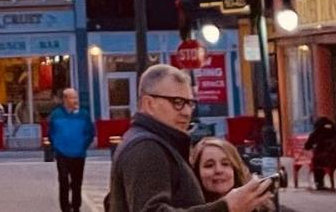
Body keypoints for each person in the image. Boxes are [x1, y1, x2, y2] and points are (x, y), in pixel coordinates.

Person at [105, 64, 273, 212]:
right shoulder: (146, 147)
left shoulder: (157, 143)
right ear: (149, 103)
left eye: (190, 103)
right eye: (177, 102)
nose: (186, 112)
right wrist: (226, 207)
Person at [49, 87, 96, 212]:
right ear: (65, 99)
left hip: (78, 155)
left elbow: (90, 133)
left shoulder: (84, 115)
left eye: (76, 97)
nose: (75, 100)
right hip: (62, 154)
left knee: (76, 183)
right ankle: (65, 207)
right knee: (63, 181)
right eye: (72, 97)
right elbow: (51, 133)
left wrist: (82, 146)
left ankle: (76, 207)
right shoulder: (56, 115)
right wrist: (57, 146)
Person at [303, 117, 336, 191]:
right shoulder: (334, 132)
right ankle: (320, 183)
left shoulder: (316, 133)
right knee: (319, 160)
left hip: (322, 159)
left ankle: (319, 183)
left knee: (316, 161)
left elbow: (307, 146)